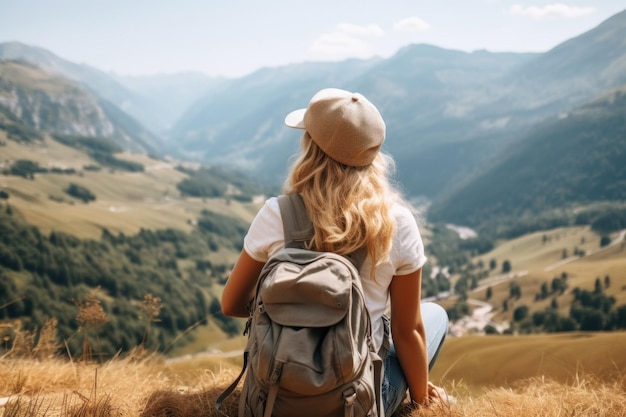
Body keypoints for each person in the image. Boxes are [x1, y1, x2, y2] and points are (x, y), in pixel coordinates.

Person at [221, 87, 449, 415]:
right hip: (357, 400)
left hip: (277, 394)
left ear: (310, 146)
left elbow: (231, 304)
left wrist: (290, 313)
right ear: (373, 153)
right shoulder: (396, 223)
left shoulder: (276, 214)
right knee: (434, 316)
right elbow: (405, 329)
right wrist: (423, 400)